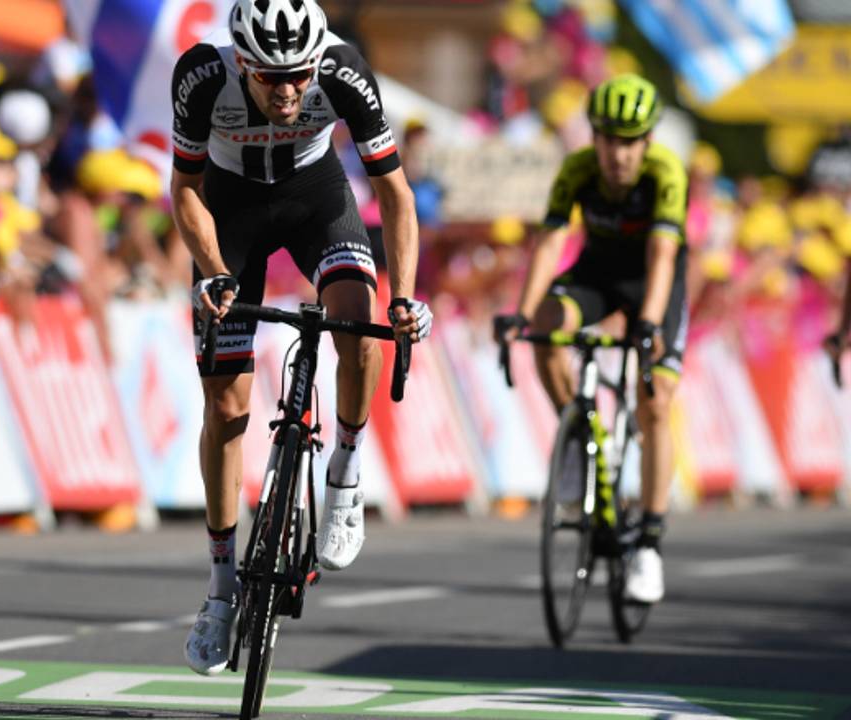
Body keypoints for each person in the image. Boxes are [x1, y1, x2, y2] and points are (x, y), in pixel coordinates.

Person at [171, 0, 432, 676]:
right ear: (241, 61)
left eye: (298, 76)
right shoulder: (202, 75)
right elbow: (185, 190)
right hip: (231, 215)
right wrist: (214, 273)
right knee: (226, 408)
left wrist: (404, 297)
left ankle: (344, 470)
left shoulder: (343, 69)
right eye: (269, 78)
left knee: (358, 321)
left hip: (316, 200)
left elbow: (396, 195)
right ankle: (222, 589)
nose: (287, 92)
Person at [494, 73, 687, 604]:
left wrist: (647, 324)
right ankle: (578, 436)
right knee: (545, 328)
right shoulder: (578, 169)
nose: (619, 154)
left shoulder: (667, 172)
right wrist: (523, 312)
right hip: (598, 274)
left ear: (647, 141)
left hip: (654, 283)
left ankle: (648, 541)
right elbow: (551, 241)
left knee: (656, 402)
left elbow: (664, 255)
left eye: (630, 142)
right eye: (609, 139)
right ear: (594, 138)